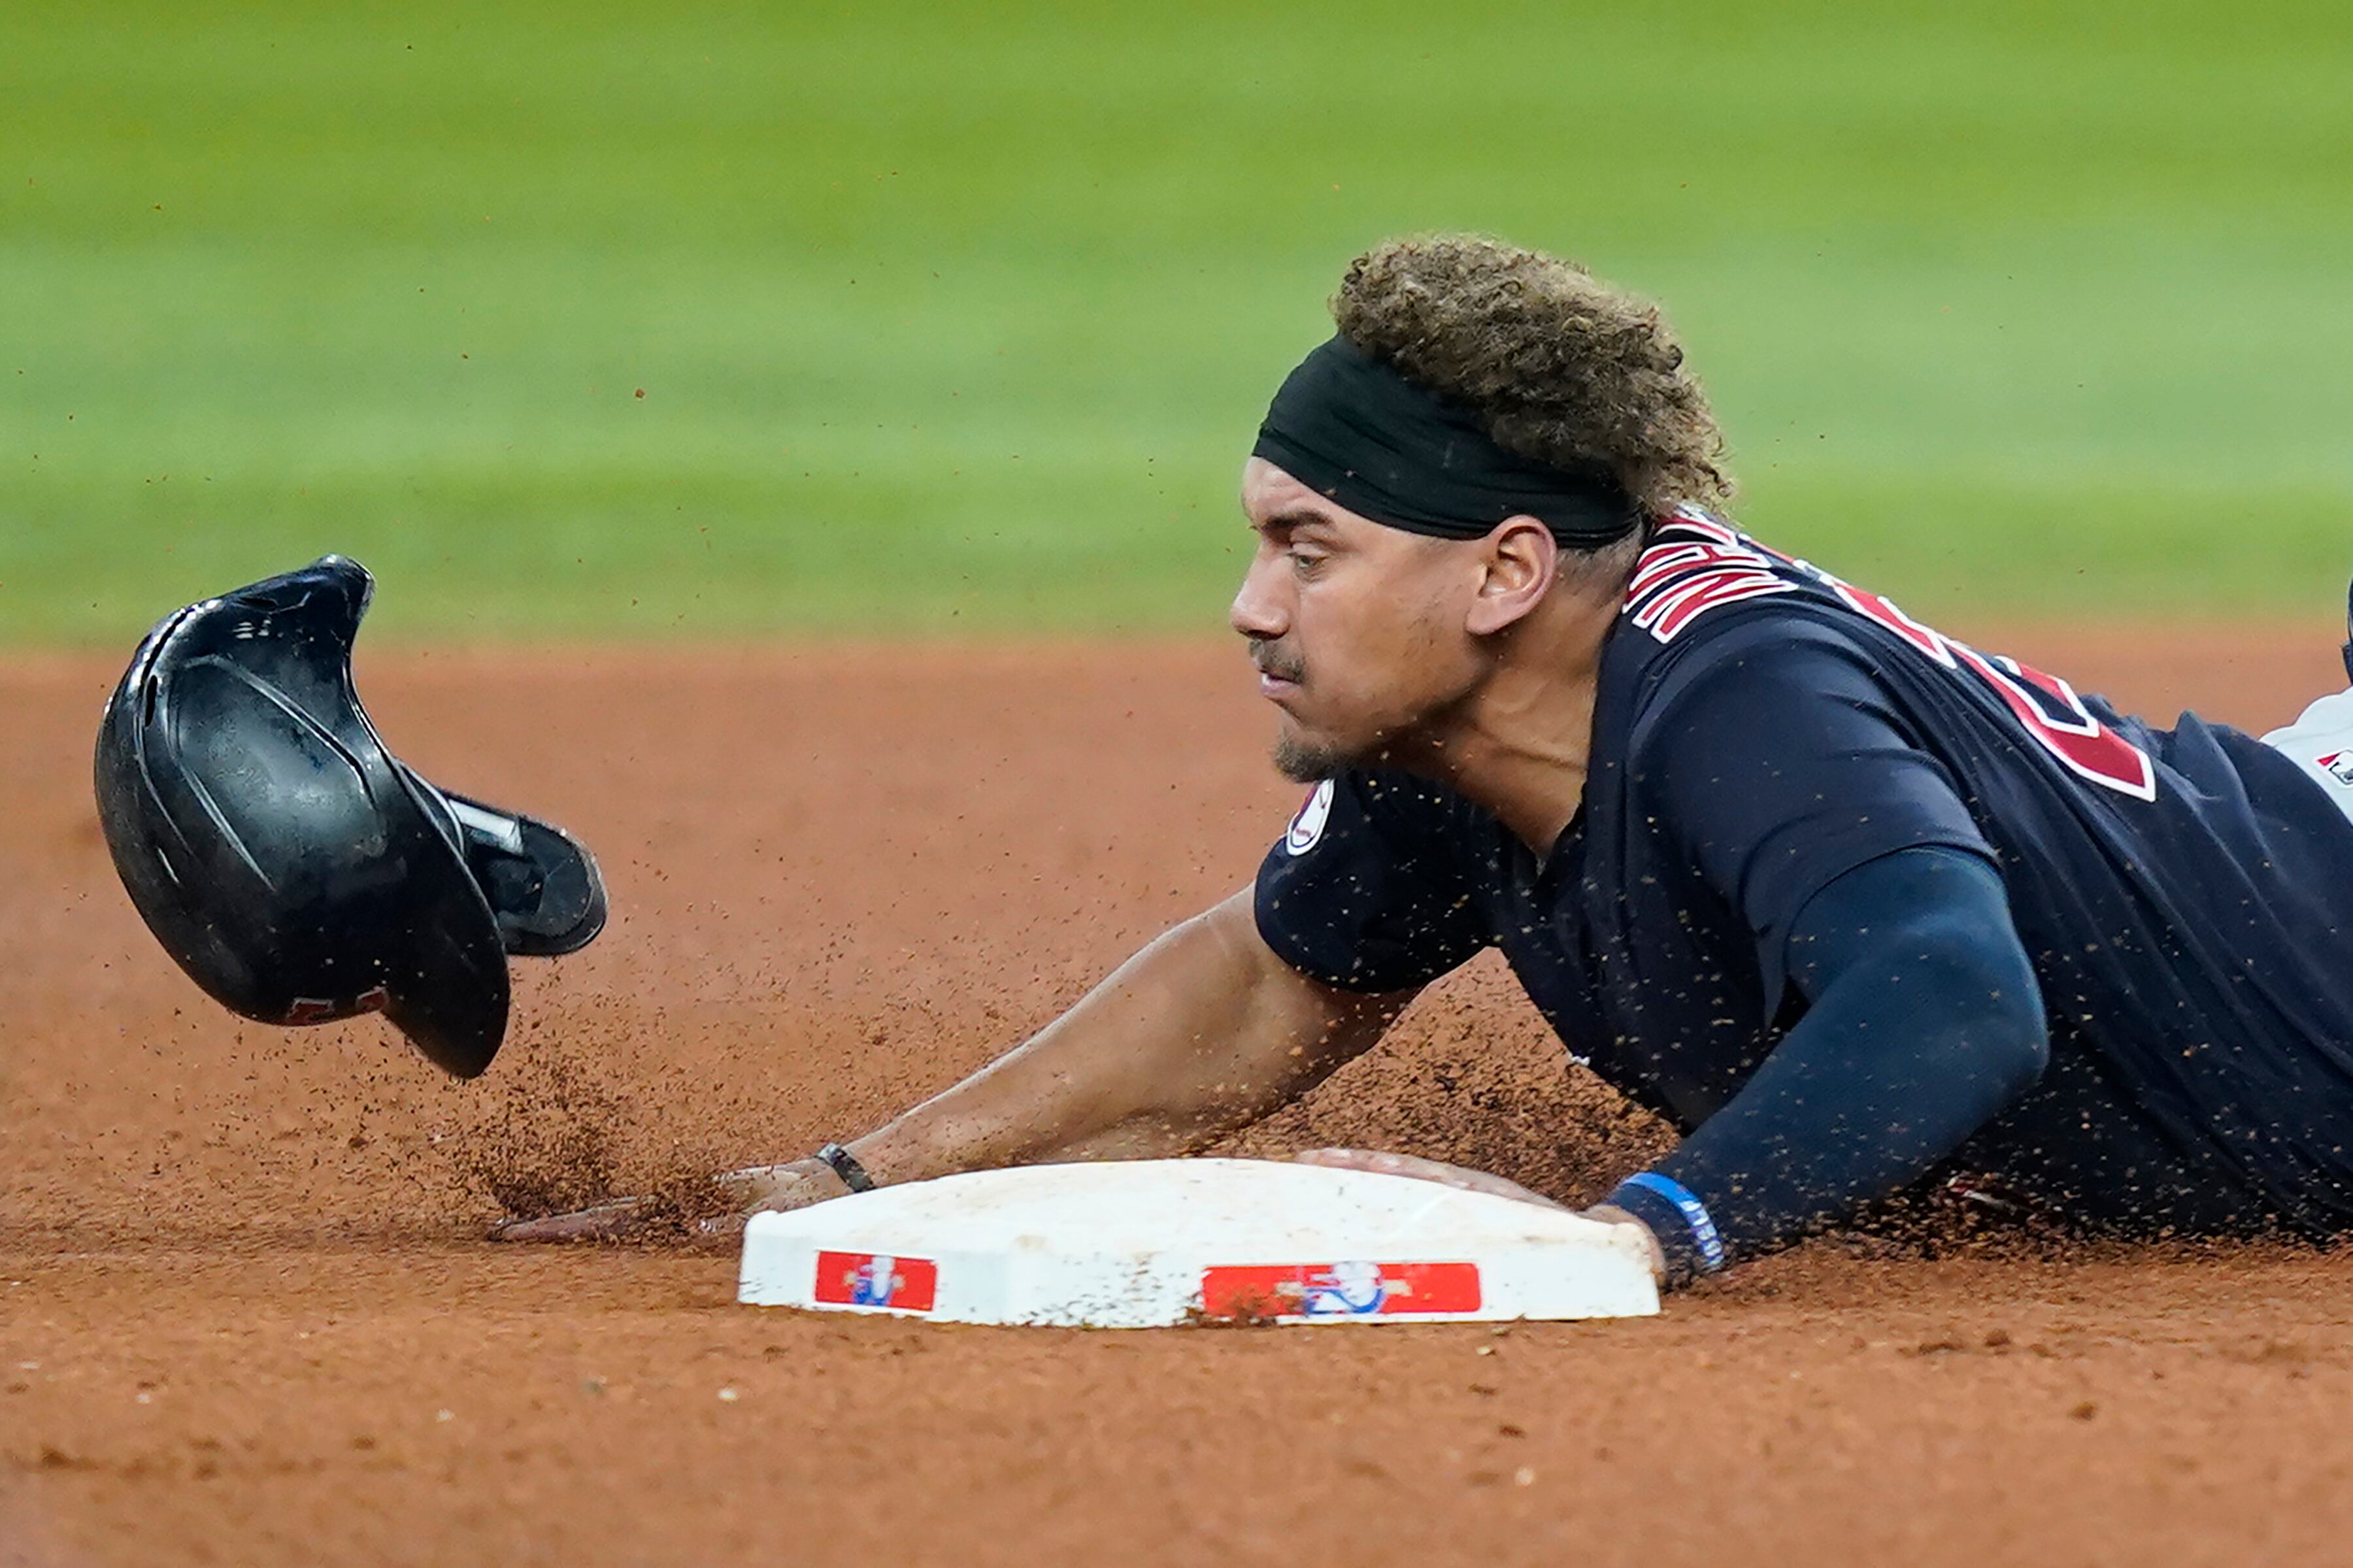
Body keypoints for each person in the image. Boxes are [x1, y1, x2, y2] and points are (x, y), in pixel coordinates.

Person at [499, 235, 2353, 1290]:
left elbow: (1955, 996)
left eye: (1310, 549)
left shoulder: (1734, 686)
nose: (1251, 606)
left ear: (1504, 572)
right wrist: (844, 1180)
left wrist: (1637, 1234)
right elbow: (1257, 988)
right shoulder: (1453, 742)